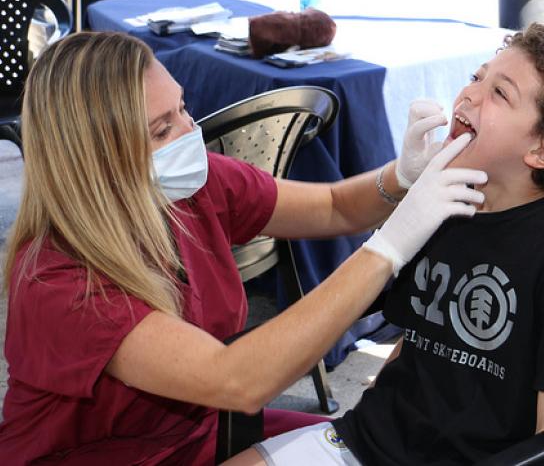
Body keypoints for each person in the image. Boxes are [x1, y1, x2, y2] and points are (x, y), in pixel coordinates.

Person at [0, 31, 488, 465]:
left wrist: (401, 176)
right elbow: (237, 380)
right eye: (160, 130)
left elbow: (335, 207)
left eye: (183, 108)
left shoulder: (192, 188)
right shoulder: (60, 280)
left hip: (202, 431)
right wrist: (389, 248)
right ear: (94, 158)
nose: (190, 133)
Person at [230, 22, 544, 465]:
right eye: (478, 77)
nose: (471, 94)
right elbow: (415, 332)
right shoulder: (444, 207)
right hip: (368, 441)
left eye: (501, 93)